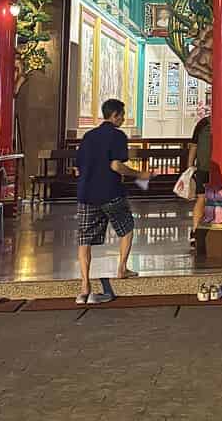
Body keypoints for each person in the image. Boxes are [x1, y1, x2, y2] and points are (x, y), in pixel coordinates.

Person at [75, 98, 151, 305]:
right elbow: (116, 166)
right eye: (122, 115)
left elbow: (77, 166)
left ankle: (84, 286)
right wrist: (138, 175)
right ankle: (122, 268)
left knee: (85, 239)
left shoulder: (88, 137)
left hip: (86, 194)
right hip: (110, 192)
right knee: (126, 228)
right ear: (115, 115)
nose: (124, 118)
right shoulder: (117, 136)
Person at [186, 115, 211, 247]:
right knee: (202, 198)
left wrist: (190, 166)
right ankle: (197, 231)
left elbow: (194, 146)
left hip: (205, 167)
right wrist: (190, 168)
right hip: (207, 168)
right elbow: (194, 146)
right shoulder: (204, 123)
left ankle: (197, 231)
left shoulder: (203, 123)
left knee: (201, 198)